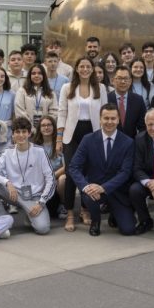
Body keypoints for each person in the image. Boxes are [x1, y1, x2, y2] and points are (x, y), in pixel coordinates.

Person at [69, 104, 137, 236]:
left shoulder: (128, 142)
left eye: (113, 118)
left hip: (117, 191)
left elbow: (125, 172)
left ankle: (114, 213)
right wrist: (85, 186)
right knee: (89, 195)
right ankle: (96, 221)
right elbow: (74, 166)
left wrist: (104, 187)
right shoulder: (88, 140)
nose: (109, 122)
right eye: (106, 118)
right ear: (100, 119)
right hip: (94, 191)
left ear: (118, 120)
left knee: (128, 230)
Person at [56, 58, 106, 230]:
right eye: (81, 66)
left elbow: (104, 113)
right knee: (71, 174)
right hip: (71, 135)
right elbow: (62, 113)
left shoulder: (101, 87)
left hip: (92, 134)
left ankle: (85, 210)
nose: (85, 69)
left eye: (88, 66)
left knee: (89, 173)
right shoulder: (66, 88)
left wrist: (103, 137)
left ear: (92, 69)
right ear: (76, 69)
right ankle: (70, 213)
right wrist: (59, 139)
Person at [0, 116, 55, 234]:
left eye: (24, 132)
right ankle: (2, 217)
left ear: (29, 133)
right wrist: (7, 182)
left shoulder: (39, 151)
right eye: (17, 132)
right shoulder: (8, 152)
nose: (21, 135)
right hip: (14, 194)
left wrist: (41, 202)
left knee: (43, 229)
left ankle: (29, 216)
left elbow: (51, 179)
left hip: (35, 197)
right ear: (13, 135)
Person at [32, 116, 65, 218]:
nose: (46, 128)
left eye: (49, 125)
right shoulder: (34, 146)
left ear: (54, 127)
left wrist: (52, 176)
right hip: (42, 180)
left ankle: (64, 206)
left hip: (57, 178)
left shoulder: (60, 143)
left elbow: (66, 167)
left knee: (63, 179)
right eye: (43, 125)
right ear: (39, 129)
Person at [14, 63, 59, 129]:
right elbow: (20, 111)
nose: (36, 75)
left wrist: (44, 126)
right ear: (29, 76)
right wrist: (31, 128)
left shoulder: (51, 93)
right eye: (33, 73)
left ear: (44, 75)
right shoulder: (22, 91)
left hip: (45, 130)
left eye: (39, 73)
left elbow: (54, 112)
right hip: (27, 131)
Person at [108, 66, 147, 139]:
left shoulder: (138, 100)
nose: (123, 82)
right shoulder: (106, 99)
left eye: (126, 78)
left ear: (130, 81)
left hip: (131, 143)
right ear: (113, 80)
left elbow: (143, 127)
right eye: (119, 78)